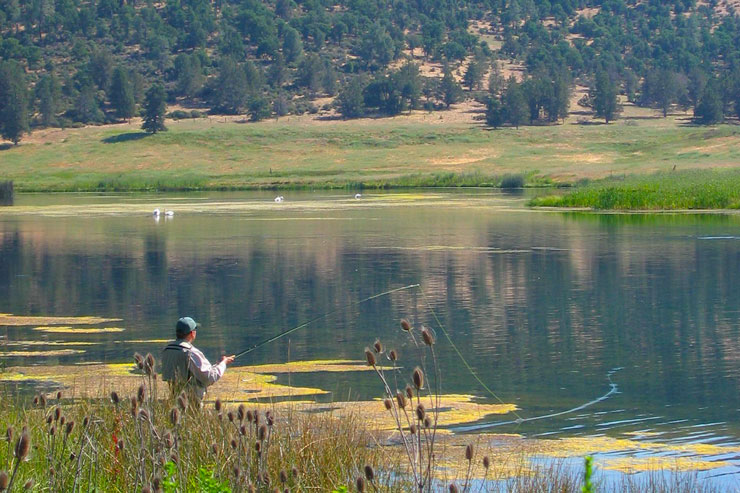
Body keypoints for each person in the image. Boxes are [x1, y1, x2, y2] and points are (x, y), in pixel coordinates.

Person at [161, 316, 235, 401]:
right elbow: (210, 377)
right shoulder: (191, 352)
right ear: (192, 333)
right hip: (192, 402)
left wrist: (216, 365)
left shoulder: (167, 350)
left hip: (174, 400)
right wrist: (223, 363)